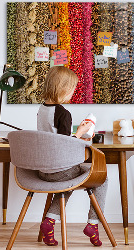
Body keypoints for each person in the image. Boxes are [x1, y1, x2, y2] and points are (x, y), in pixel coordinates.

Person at [37, 66, 107, 247]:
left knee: (67, 181)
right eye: (72, 89)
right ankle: (93, 224)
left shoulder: (42, 109)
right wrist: (82, 132)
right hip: (60, 170)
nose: (73, 92)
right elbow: (64, 145)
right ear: (63, 89)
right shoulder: (63, 113)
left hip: (43, 170)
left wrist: (77, 134)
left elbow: (54, 138)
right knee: (102, 178)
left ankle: (49, 222)